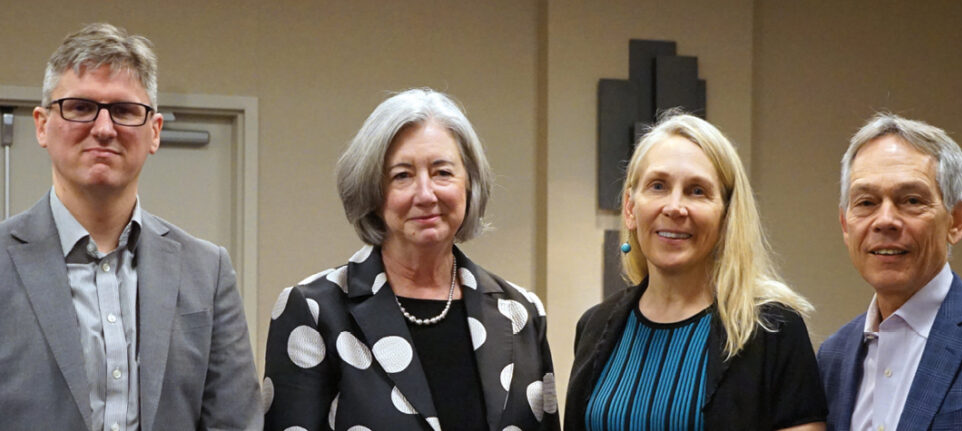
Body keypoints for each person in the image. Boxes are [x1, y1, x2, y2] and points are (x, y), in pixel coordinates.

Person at [0, 23, 262, 430]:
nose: (103, 129)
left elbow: (234, 422)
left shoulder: (207, 271)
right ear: (41, 125)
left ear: (154, 131)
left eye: (124, 111)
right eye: (80, 107)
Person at [263, 88, 558, 431]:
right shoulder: (315, 310)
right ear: (373, 192)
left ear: (470, 184)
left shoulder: (521, 313)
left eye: (442, 172)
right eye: (402, 175)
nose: (425, 194)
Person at [564, 112, 826, 431]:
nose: (675, 207)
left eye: (697, 191)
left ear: (726, 216)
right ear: (631, 209)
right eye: (658, 186)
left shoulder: (773, 329)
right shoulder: (594, 326)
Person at [817, 113, 962, 430]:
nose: (885, 220)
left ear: (957, 220)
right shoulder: (832, 357)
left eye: (911, 200)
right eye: (867, 202)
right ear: (845, 224)